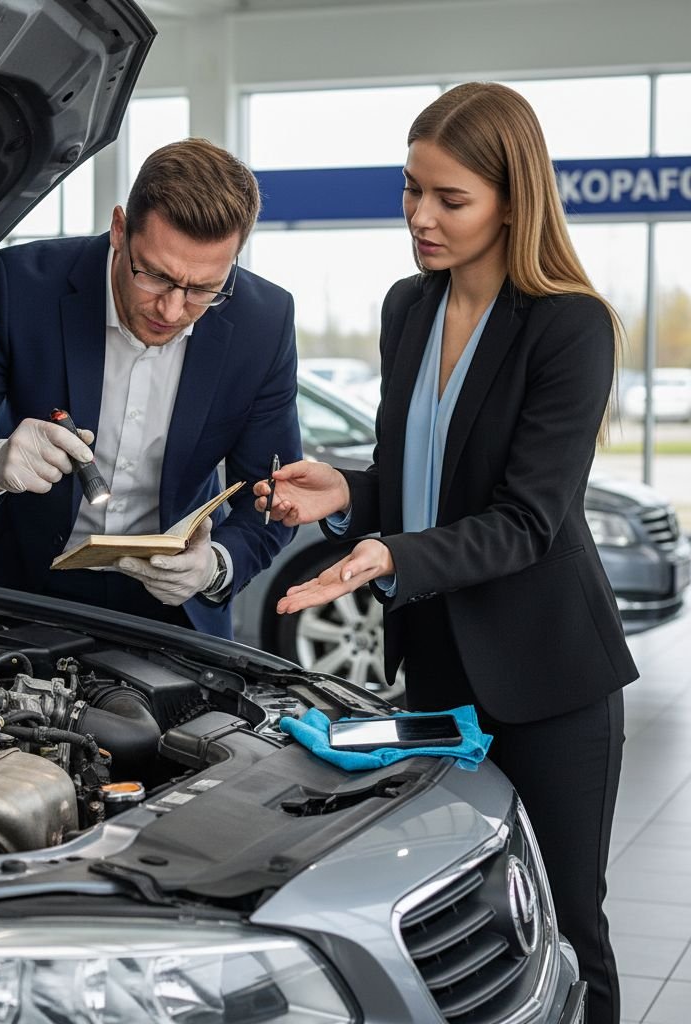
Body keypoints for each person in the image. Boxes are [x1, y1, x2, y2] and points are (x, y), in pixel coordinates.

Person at [254, 83, 636, 1024]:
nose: (420, 217)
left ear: (514, 199)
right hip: (437, 674)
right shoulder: (407, 309)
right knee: (456, 919)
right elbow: (415, 474)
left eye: (449, 199)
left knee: (565, 927)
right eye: (410, 191)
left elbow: (527, 519)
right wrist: (349, 492)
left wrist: (388, 556)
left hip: (549, 680)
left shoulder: (568, 324)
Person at [0, 138, 301, 638]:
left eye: (204, 289)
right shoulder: (20, 286)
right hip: (5, 596)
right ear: (120, 230)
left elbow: (271, 498)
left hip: (167, 613)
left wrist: (216, 564)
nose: (172, 310)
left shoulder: (264, 321)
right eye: (156, 276)